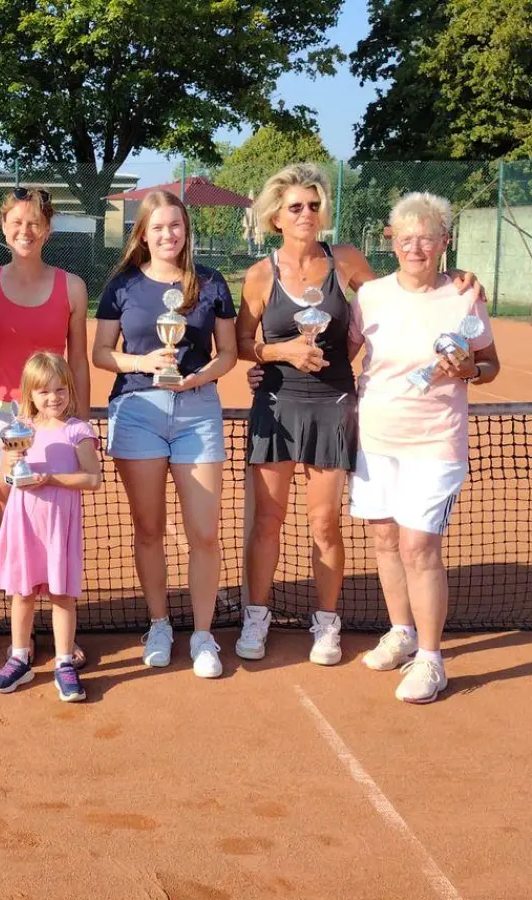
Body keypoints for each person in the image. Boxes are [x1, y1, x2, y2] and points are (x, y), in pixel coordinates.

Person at [349, 192, 500, 704]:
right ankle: (401, 631)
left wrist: (470, 371)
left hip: (435, 439)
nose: (416, 246)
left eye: (427, 237)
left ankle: (431, 659)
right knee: (386, 541)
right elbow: (339, 358)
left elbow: (490, 365)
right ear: (391, 240)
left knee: (419, 547)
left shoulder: (464, 295)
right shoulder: (369, 295)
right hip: (375, 436)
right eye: (406, 237)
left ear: (444, 242)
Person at [90, 190, 237, 679]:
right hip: (137, 410)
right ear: (144, 233)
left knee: (204, 532)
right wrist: (142, 362)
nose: (168, 234)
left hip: (198, 411)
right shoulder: (122, 285)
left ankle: (201, 634)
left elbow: (228, 353)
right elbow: (102, 353)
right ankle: (159, 625)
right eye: (158, 227)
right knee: (148, 529)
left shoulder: (211, 283)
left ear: (185, 231)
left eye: (175, 225)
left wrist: (198, 377)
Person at [234, 163, 373, 666]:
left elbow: (392, 301)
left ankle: (327, 624)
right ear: (276, 217)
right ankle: (256, 615)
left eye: (314, 206)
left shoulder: (346, 261)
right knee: (267, 521)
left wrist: (453, 280)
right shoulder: (258, 275)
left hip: (333, 404)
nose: (307, 215)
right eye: (296, 207)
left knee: (325, 523)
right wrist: (282, 353)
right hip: (276, 404)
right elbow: (243, 346)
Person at [0, 187, 91, 525]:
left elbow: (78, 360)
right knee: (7, 518)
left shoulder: (73, 287)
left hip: (53, 415)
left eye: (35, 223)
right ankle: (16, 581)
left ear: (47, 230)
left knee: (49, 515)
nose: (25, 231)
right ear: (3, 226)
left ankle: (50, 581)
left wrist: (81, 423)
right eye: (17, 222)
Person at [0, 352, 102, 702]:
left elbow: (92, 478)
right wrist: (15, 465)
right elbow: (6, 479)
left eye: (60, 389)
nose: (53, 398)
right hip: (24, 523)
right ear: (29, 394)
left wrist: (50, 478)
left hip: (59, 523)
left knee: (62, 595)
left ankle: (64, 663)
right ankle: (19, 658)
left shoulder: (78, 430)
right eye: (44, 391)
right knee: (22, 593)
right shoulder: (20, 429)